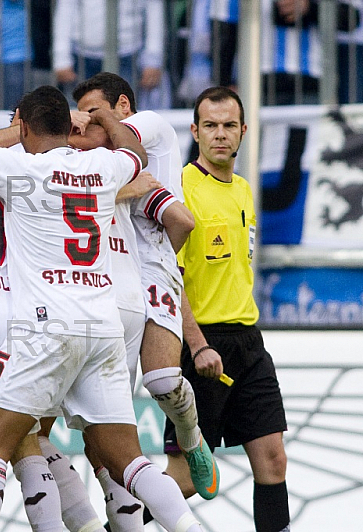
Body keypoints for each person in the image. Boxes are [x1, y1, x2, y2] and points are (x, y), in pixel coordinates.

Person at [0, 85, 204, 532]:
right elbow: (134, 152)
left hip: (43, 329)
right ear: (67, 125)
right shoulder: (103, 165)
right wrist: (107, 121)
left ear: (25, 127)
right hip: (102, 329)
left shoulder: (17, 165)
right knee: (129, 461)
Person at [72, 73, 217, 513]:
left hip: (150, 266)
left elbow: (181, 220)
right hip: (111, 275)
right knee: (108, 416)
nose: (88, 126)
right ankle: (117, 510)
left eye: (94, 113)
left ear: (122, 106)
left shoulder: (150, 126)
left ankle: (191, 438)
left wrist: (159, 260)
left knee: (161, 380)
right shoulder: (105, 170)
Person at [164, 86, 291, 532]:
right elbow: (169, 277)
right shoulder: (181, 189)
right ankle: (114, 525)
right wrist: (196, 346)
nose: (221, 135)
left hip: (249, 344)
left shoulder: (243, 190)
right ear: (195, 132)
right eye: (211, 126)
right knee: (185, 480)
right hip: (202, 346)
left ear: (243, 131)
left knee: (273, 461)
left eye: (229, 126)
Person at [53, 0, 170, 109]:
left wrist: (153, 60)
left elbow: (154, 10)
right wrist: (61, 59)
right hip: (82, 58)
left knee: (125, 118)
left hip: (127, 56)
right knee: (81, 119)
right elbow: (65, 10)